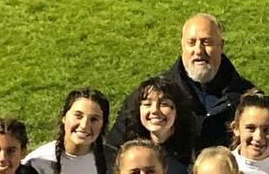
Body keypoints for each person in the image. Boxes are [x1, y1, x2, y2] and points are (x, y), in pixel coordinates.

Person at [105, 13, 255, 164]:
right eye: (191, 43)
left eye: (206, 42)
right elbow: (115, 149)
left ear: (221, 46)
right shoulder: (151, 96)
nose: (198, 50)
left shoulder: (246, 97)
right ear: (182, 45)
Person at [120, 76, 201, 174]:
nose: (154, 110)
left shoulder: (195, 151)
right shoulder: (129, 151)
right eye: (147, 104)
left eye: (164, 104)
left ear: (178, 111)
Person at [25, 88, 111, 174]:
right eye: (78, 116)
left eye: (94, 119)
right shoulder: (39, 162)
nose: (84, 125)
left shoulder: (114, 160)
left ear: (103, 124)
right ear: (64, 117)